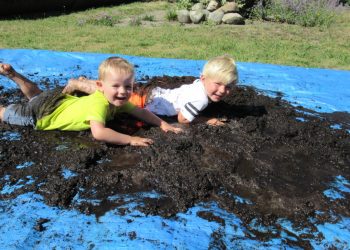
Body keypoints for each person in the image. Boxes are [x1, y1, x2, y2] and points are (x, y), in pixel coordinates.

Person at [0, 57, 182, 146]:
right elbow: (99, 133)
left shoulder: (117, 100)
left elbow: (140, 112)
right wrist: (130, 139)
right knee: (8, 113)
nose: (123, 92)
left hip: (56, 100)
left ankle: (13, 75)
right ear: (100, 86)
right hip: (40, 116)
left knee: (38, 96)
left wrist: (163, 124)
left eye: (128, 87)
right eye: (116, 86)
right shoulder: (99, 104)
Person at [63, 55, 238, 126]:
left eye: (228, 87)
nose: (222, 90)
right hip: (149, 102)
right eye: (218, 84)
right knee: (111, 93)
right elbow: (183, 119)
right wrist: (208, 120)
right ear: (204, 79)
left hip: (155, 92)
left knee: (116, 86)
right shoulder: (201, 99)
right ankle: (78, 84)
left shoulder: (200, 84)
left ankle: (86, 81)